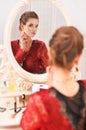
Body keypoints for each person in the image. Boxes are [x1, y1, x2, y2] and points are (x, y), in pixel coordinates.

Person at [20, 26, 86, 130]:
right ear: (78, 58)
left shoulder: (39, 101)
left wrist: (50, 90)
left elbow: (25, 126)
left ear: (50, 53)